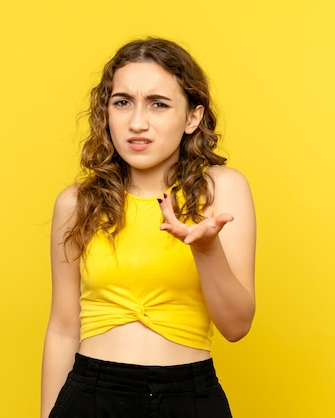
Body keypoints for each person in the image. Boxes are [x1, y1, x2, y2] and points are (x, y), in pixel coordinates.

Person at [41, 37, 256, 418]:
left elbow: (237, 326)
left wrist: (206, 250)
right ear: (106, 112)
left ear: (193, 117)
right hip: (90, 397)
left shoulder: (222, 191)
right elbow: (62, 329)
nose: (137, 122)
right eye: (122, 102)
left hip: (187, 397)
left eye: (158, 104)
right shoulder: (76, 204)